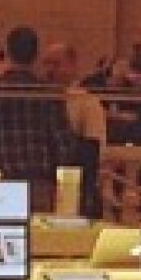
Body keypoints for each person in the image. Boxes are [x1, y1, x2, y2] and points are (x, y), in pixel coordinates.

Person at [0, 26, 74, 213]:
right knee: (39, 239)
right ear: (35, 55)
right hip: (38, 184)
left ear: (7, 52)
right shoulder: (49, 93)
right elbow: (63, 145)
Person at [40, 42, 107, 218]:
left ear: (72, 65)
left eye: (56, 64)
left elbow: (94, 149)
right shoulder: (38, 98)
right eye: (46, 63)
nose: (49, 70)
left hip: (74, 182)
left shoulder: (87, 103)